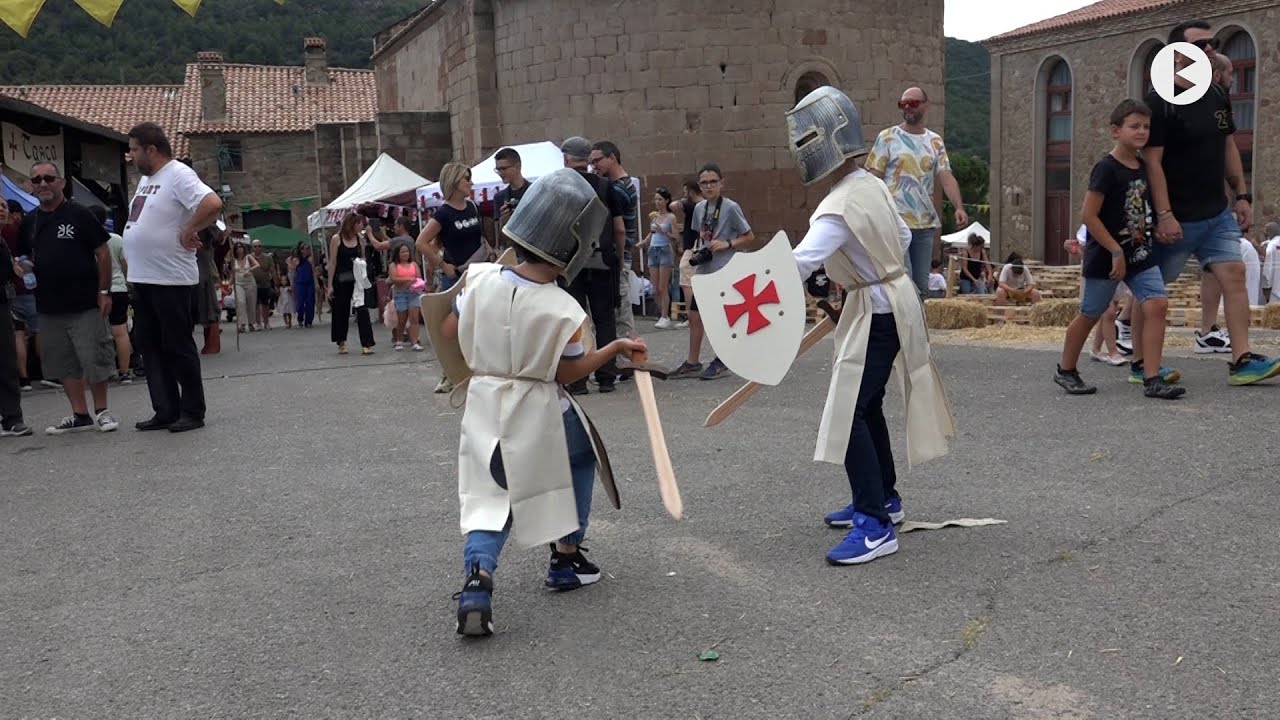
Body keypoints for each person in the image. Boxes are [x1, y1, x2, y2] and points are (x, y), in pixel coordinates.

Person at [442, 168, 647, 636]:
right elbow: (567, 372)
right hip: (536, 409)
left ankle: (478, 577)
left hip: (483, 405)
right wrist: (614, 350)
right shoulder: (564, 310)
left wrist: (482, 360)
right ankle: (567, 556)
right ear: (575, 245)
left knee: (490, 495)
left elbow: (450, 331)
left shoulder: (480, 280)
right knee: (580, 455)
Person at [786, 86, 954, 565]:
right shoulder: (871, 184)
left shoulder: (837, 205)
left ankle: (874, 524)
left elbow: (798, 264)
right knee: (870, 404)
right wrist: (868, 272)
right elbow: (902, 236)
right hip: (891, 300)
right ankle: (885, 500)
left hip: (877, 311)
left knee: (851, 412)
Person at [1142, 19, 1280, 385]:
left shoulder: (1216, 94)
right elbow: (1152, 161)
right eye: (1200, 45)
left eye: (1212, 43)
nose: (1210, 50)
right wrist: (1165, 214)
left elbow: (1228, 145)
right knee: (1151, 288)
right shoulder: (1159, 103)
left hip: (1216, 212)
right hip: (1177, 217)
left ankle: (1243, 360)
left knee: (1234, 274)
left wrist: (1243, 195)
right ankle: (1140, 361)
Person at [1054, 99, 1183, 400]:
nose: (1141, 132)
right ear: (1116, 130)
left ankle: (1151, 376)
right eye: (1134, 126)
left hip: (1140, 253)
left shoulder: (1143, 167)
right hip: (1108, 256)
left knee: (1157, 305)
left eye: (1146, 127)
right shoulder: (1106, 169)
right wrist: (1114, 250)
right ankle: (1066, 369)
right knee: (1091, 313)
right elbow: (1089, 216)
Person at [123, 122, 219, 433]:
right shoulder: (147, 180)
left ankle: (192, 410)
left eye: (134, 149)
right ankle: (165, 408)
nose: (130, 155)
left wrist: (189, 229)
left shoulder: (178, 174)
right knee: (149, 343)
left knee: (176, 344)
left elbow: (212, 203)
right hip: (145, 277)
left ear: (151, 150)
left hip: (170, 278)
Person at [18, 161, 119, 435]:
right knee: (63, 361)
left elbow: (103, 252)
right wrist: (23, 267)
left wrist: (104, 292)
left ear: (61, 182)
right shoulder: (30, 221)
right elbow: (25, 256)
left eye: (49, 178)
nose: (43, 184)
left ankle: (102, 411)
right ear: (30, 185)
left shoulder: (79, 214)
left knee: (94, 356)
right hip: (49, 306)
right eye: (36, 180)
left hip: (85, 301)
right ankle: (80, 414)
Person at [866, 86, 968, 296]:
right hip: (895, 220)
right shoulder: (887, 137)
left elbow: (946, 177)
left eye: (912, 103)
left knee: (921, 284)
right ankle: (901, 327)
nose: (907, 108)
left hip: (924, 224)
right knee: (903, 280)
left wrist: (959, 207)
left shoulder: (935, 141)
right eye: (903, 104)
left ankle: (917, 328)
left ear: (925, 105)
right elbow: (873, 176)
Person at [671, 163, 756, 380]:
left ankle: (722, 360)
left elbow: (749, 237)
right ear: (699, 186)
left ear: (721, 183)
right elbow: (703, 236)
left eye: (713, 182)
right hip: (704, 269)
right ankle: (692, 361)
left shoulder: (730, 207)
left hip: (724, 268)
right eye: (704, 183)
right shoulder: (699, 209)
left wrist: (727, 243)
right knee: (694, 315)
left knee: (721, 317)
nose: (709, 186)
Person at [417, 162, 489, 391]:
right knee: (454, 324)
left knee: (480, 322)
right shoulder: (444, 213)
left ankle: (478, 369)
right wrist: (442, 264)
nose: (471, 182)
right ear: (455, 181)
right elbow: (421, 242)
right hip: (456, 275)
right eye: (466, 178)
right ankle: (448, 373)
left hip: (478, 271)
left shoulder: (473, 207)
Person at [560, 137, 623, 395]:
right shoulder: (606, 186)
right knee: (604, 320)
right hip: (601, 262)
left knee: (574, 321)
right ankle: (607, 377)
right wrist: (617, 257)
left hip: (570, 263)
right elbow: (619, 228)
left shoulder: (561, 186)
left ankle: (578, 380)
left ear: (566, 158)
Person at [90, 205, 134, 381]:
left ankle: (102, 372)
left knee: (97, 334)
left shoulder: (87, 239)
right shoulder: (116, 239)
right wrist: (127, 282)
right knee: (121, 332)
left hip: (97, 290)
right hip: (119, 288)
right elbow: (125, 264)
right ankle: (124, 371)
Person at [327, 214, 377, 356]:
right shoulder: (337, 239)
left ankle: (367, 343)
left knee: (362, 309)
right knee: (341, 310)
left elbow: (362, 259)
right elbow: (332, 262)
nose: (361, 226)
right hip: (341, 279)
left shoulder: (360, 239)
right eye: (359, 224)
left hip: (357, 279)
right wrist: (330, 285)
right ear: (352, 224)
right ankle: (341, 341)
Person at [0, 218, 31, 437]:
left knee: (6, 360)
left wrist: (15, 269)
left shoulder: (3, 239)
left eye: (4, 206)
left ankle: (12, 417)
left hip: (2, 303)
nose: (2, 210)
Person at [643, 187, 677, 328]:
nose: (657, 202)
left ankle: (665, 316)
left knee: (663, 287)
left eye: (660, 199)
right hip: (653, 250)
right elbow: (652, 233)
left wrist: (664, 231)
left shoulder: (671, 217)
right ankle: (661, 312)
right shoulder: (655, 216)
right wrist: (644, 242)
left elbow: (676, 237)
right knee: (655, 287)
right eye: (656, 199)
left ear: (666, 200)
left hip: (664, 250)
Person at [492, 146, 529, 250]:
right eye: (497, 169)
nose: (500, 173)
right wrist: (503, 222)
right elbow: (498, 241)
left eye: (503, 168)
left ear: (517, 167)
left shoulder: (533, 191)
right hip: (512, 251)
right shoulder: (499, 197)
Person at [388, 243, 423, 351]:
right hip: (400, 293)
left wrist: (410, 280)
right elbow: (393, 278)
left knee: (414, 318)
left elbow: (418, 277)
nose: (405, 254)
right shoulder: (393, 265)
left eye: (407, 251)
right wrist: (409, 279)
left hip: (414, 293)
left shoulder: (414, 264)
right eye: (402, 252)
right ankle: (399, 340)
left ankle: (415, 341)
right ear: (398, 254)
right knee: (402, 319)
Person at [230, 242, 258, 334]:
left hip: (249, 282)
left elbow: (257, 265)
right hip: (238, 283)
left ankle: (251, 323)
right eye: (237, 247)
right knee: (241, 302)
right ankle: (242, 324)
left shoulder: (248, 257)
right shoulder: (233, 260)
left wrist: (249, 270)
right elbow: (232, 274)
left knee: (251, 303)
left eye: (241, 247)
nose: (239, 249)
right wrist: (230, 285)